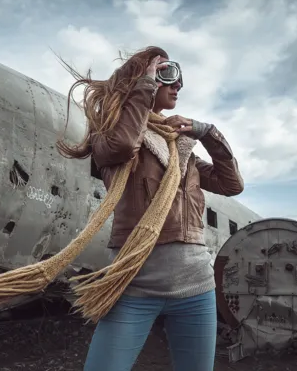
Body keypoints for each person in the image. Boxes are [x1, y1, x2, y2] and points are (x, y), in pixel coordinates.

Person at [57, 46, 244, 371]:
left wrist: (206, 132)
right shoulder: (108, 140)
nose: (179, 85)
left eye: (179, 78)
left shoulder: (182, 148)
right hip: (134, 288)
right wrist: (143, 87)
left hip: (196, 289)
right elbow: (126, 144)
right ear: (141, 79)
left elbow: (232, 184)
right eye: (168, 73)